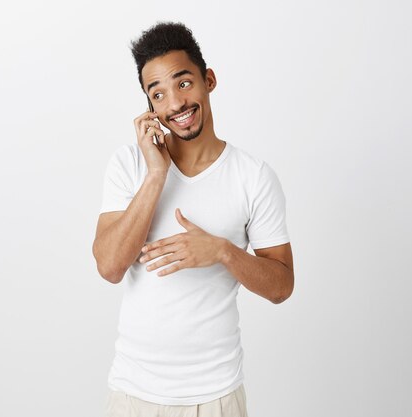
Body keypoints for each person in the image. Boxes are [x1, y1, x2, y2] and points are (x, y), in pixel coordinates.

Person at [92, 21, 294, 417]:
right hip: (133, 393)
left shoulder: (253, 176)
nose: (176, 104)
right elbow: (110, 266)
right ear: (150, 106)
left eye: (183, 83)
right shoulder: (129, 165)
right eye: (159, 94)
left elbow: (281, 285)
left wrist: (222, 251)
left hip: (216, 395)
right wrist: (155, 175)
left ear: (209, 80)